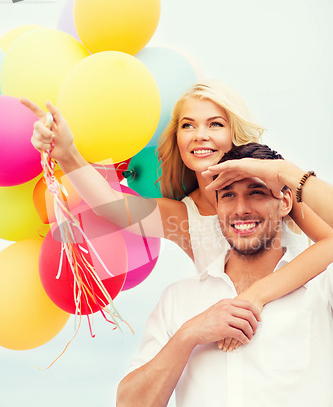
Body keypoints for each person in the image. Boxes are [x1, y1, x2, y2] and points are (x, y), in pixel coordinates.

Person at [22, 80, 333, 351]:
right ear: (178, 140)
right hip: (237, 342)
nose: (199, 135)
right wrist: (65, 151)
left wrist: (255, 296)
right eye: (188, 125)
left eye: (215, 124)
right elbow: (113, 206)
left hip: (302, 332)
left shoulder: (273, 186)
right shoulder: (186, 217)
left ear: (234, 132)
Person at [116, 143, 333, 407]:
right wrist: (188, 335)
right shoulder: (179, 300)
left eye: (257, 192)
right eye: (228, 195)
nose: (241, 208)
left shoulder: (322, 289)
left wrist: (286, 173)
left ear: (285, 200)